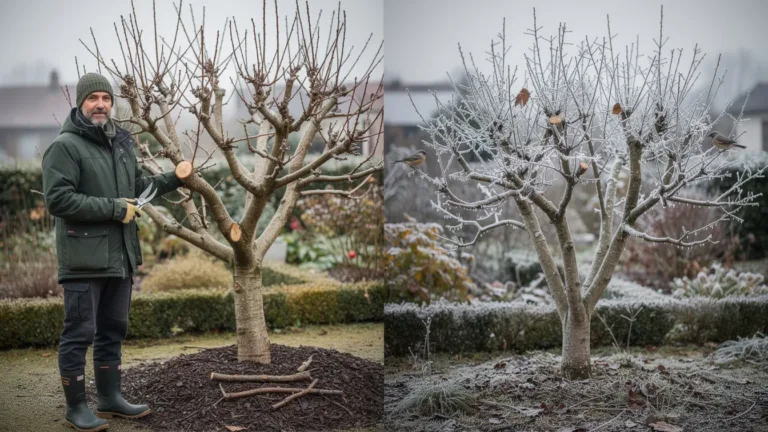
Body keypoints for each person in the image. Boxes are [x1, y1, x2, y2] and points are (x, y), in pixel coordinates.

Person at [42, 72, 183, 431]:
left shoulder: (121, 143)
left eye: (106, 98)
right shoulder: (65, 146)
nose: (101, 104)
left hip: (120, 257)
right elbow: (58, 200)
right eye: (93, 98)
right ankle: (76, 408)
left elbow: (138, 188)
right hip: (83, 260)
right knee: (79, 333)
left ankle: (109, 399)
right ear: (81, 103)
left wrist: (176, 178)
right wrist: (115, 208)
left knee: (113, 330)